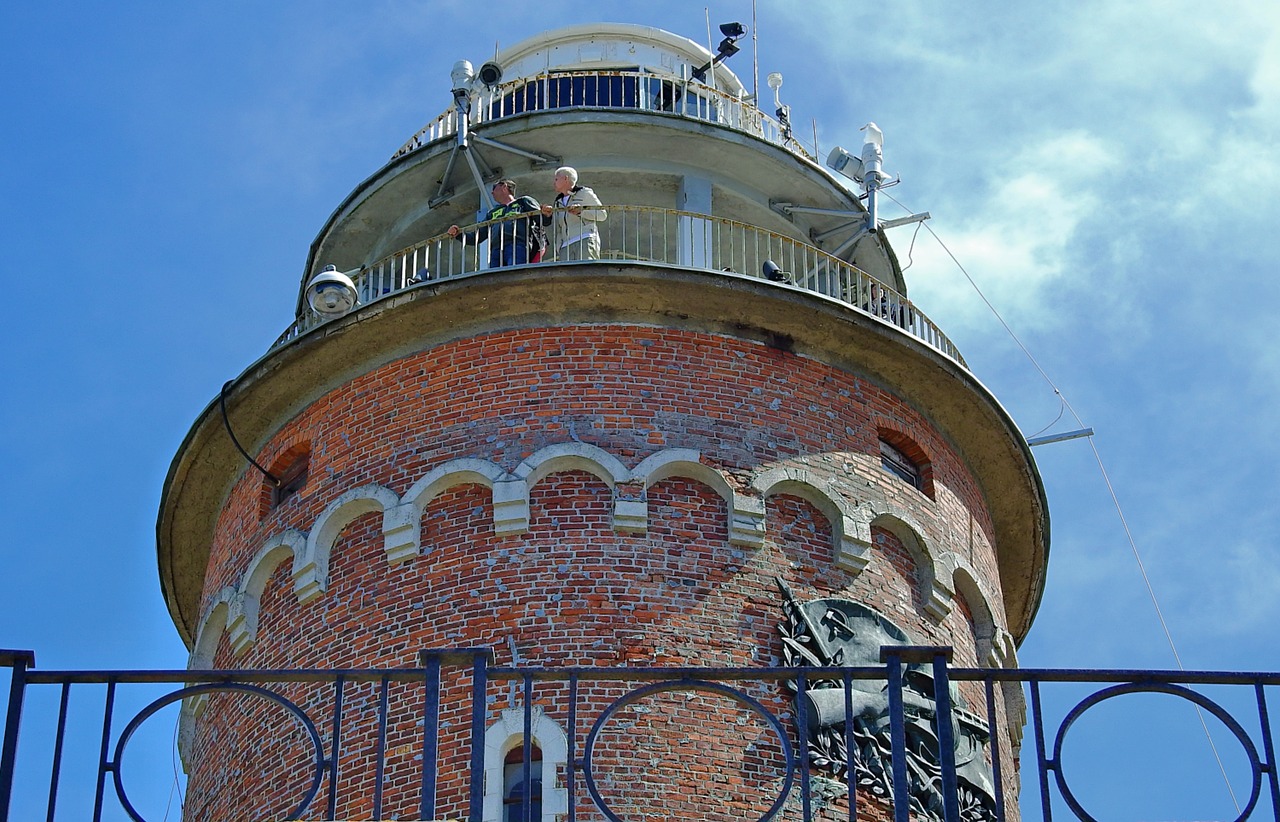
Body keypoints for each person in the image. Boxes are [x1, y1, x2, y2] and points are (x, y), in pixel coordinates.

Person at [448, 179, 543, 268]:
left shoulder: (523, 202)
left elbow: (542, 220)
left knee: (514, 274)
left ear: (504, 187)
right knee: (496, 280)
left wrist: (546, 213)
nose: (492, 192)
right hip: (496, 250)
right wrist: (458, 234)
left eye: (494, 188)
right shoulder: (493, 212)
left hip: (518, 245)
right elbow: (477, 237)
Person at [539, 166, 606, 260]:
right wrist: (548, 215)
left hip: (584, 238)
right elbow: (559, 225)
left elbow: (602, 214)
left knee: (586, 272)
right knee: (567, 274)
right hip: (565, 245)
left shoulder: (584, 193)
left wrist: (581, 212)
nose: (554, 183)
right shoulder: (558, 201)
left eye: (556, 179)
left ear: (565, 178)